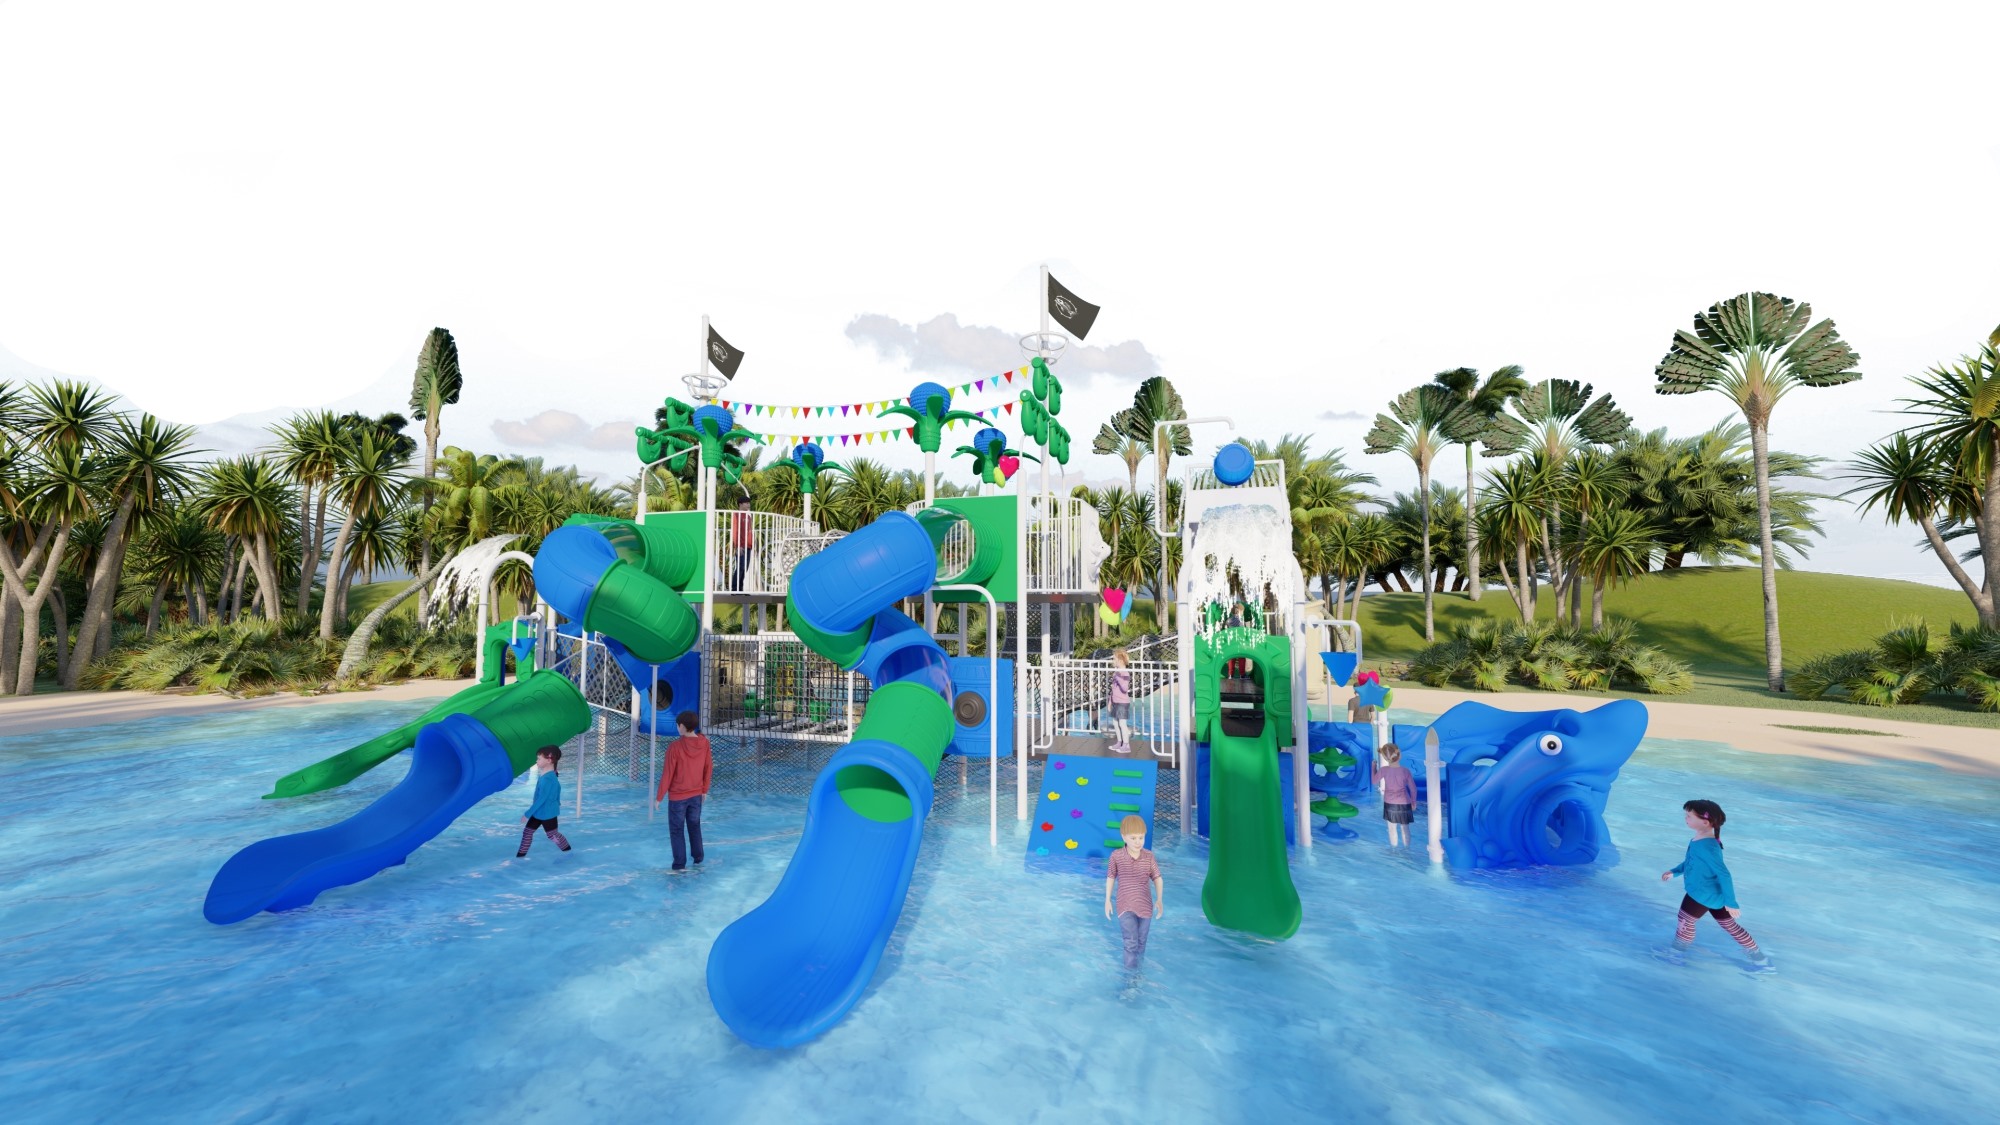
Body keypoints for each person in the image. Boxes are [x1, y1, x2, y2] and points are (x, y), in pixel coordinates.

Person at [1658, 799, 1772, 971]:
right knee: (1730, 926)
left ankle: (1675, 956)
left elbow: (1724, 874)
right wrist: (1675, 871)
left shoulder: (1708, 847)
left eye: (1689, 816)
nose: (1685, 818)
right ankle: (1761, 961)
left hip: (1702, 894)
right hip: (1714, 895)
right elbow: (1692, 861)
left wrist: (1731, 902)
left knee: (1685, 921)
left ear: (1705, 822)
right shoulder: (1700, 840)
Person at [654, 710, 713, 874]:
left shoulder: (675, 747)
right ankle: (698, 858)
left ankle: (679, 865)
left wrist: (659, 797)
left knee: (676, 830)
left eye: (677, 725)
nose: (677, 727)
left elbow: (668, 774)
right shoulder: (704, 743)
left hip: (678, 798)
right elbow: (708, 767)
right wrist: (704, 790)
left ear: (682, 726)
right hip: (696, 795)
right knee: (694, 826)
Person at [1103, 814, 1163, 971]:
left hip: (1145, 907)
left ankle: (1138, 971)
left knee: (1142, 943)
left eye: (1141, 837)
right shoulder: (1116, 856)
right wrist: (1107, 899)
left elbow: (1157, 878)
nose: (1138, 842)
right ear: (1124, 837)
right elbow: (1111, 877)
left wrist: (1159, 899)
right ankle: (1130, 978)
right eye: (1133, 838)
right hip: (1125, 906)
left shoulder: (1149, 856)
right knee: (1131, 942)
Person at [517, 746, 572, 858]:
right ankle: (520, 856)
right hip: (539, 812)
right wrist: (557, 802)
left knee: (552, 835)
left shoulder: (548, 779)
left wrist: (527, 814)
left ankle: (568, 852)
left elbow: (542, 798)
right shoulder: (548, 775)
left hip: (548, 813)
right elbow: (557, 789)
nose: (537, 761)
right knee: (527, 832)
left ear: (549, 760)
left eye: (539, 759)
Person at [1376, 742, 1416, 847]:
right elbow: (1413, 789)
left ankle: (1394, 851)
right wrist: (1413, 802)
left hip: (1390, 804)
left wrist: (1373, 767)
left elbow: (1373, 781)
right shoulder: (1405, 771)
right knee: (1405, 829)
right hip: (1404, 803)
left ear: (1385, 758)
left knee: (1392, 830)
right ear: (1399, 754)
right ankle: (1407, 850)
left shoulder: (1383, 770)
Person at [1107, 649, 1133, 754]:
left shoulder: (1124, 673)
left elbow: (1125, 688)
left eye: (1114, 659)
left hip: (1122, 702)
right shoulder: (1117, 672)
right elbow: (1113, 689)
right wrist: (1110, 702)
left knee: (1122, 723)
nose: (1113, 661)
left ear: (1120, 660)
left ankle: (1126, 745)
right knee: (1115, 722)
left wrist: (1118, 677)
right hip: (1115, 701)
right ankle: (1119, 742)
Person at [730, 497, 755, 589]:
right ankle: (734, 588)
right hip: (741, 545)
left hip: (748, 545)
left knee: (745, 568)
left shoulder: (748, 517)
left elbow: (750, 531)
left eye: (749, 503)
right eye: (746, 503)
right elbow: (735, 531)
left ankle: (740, 588)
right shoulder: (736, 515)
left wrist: (752, 543)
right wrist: (738, 545)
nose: (748, 505)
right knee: (740, 566)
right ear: (740, 504)